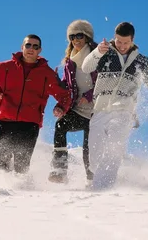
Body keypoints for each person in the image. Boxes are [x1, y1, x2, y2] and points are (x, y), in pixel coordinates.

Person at [81, 21, 148, 189]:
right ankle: (101, 179)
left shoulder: (141, 61)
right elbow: (86, 67)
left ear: (132, 40)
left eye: (126, 42)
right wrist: (96, 52)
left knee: (114, 149)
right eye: (119, 42)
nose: (122, 46)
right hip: (100, 110)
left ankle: (103, 188)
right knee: (94, 157)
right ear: (114, 38)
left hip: (124, 111)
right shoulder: (105, 53)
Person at [0, 34, 72, 175]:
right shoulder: (6, 68)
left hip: (29, 126)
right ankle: (0, 192)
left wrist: (61, 107)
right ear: (22, 47)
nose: (31, 49)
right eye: (28, 45)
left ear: (40, 50)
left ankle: (21, 193)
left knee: (20, 169)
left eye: (35, 46)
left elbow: (65, 95)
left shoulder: (47, 74)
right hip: (5, 122)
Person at [49, 20, 98, 184]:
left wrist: (89, 96)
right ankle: (60, 170)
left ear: (87, 37)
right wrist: (60, 105)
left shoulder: (97, 56)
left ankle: (93, 179)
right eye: (72, 36)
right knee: (60, 125)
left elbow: (104, 81)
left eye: (79, 35)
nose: (76, 40)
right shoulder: (69, 61)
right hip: (78, 109)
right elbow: (67, 88)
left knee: (89, 146)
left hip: (97, 110)